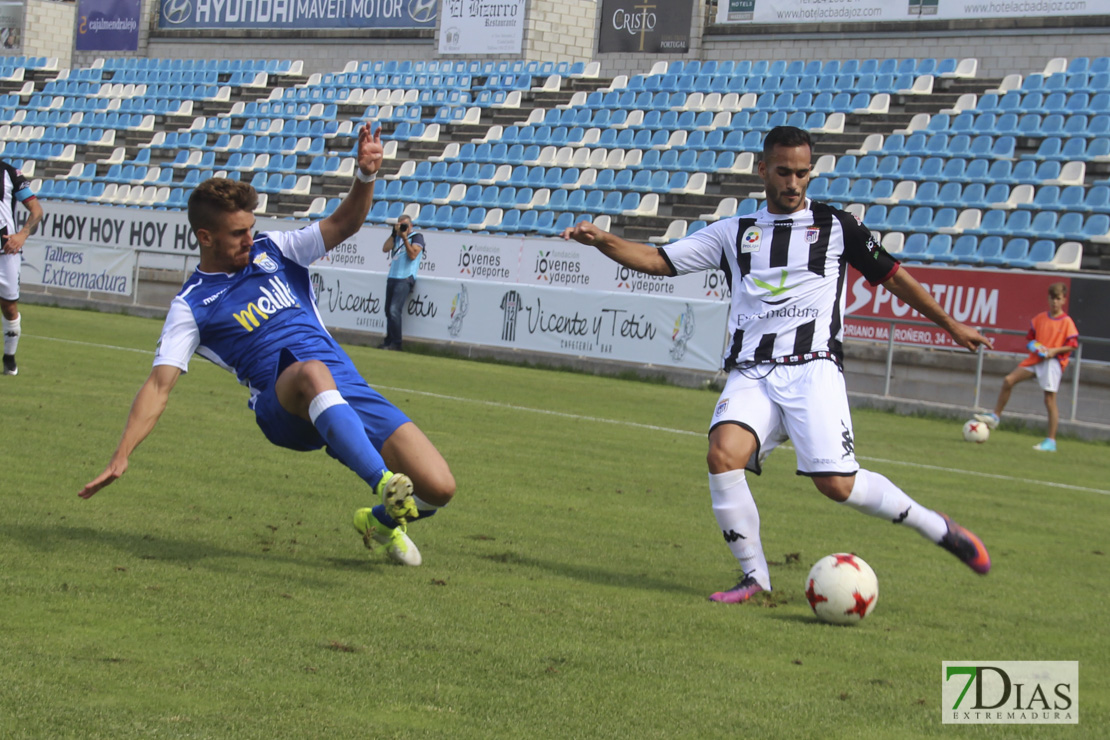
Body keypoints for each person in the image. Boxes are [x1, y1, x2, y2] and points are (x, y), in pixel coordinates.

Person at [561, 125, 994, 604]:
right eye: (784, 172)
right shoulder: (734, 232)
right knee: (722, 454)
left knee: (837, 486)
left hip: (814, 368)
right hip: (752, 371)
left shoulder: (837, 227)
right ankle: (755, 577)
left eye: (802, 173)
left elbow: (893, 276)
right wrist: (604, 240)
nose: (793, 182)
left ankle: (937, 527)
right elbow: (658, 259)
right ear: (762, 169)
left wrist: (950, 324)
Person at [78, 123, 454, 567]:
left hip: (344, 385)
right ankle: (383, 483)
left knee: (439, 486)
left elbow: (344, 223)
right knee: (311, 371)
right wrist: (122, 455)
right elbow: (159, 386)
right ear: (205, 237)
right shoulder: (191, 304)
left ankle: (378, 520)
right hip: (281, 405)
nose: (249, 238)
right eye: (238, 233)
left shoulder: (277, 250)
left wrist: (366, 175)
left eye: (251, 228)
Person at [975, 282, 1078, 452]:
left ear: (1063, 300)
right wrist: (1035, 346)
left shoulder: (1067, 322)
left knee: (1049, 400)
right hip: (1035, 359)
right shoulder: (1040, 318)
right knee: (1009, 380)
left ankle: (1051, 441)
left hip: (1052, 362)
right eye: (1052, 298)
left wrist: (1054, 351)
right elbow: (1030, 339)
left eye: (1058, 299)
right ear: (1048, 298)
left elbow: (1072, 345)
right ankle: (995, 416)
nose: (1054, 302)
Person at [0, 158, 45, 376]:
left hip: (5, 250)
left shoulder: (9, 173)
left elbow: (36, 210)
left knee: (9, 307)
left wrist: (22, 235)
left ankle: (9, 356)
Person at [380, 213, 424, 351]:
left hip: (405, 277)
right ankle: (389, 340)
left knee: (394, 310)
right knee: (388, 310)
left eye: (404, 225)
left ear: (411, 226)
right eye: (400, 225)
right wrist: (394, 234)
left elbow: (412, 255)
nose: (402, 227)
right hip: (393, 276)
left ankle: (397, 343)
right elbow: (385, 248)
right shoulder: (396, 238)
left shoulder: (416, 237)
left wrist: (405, 238)